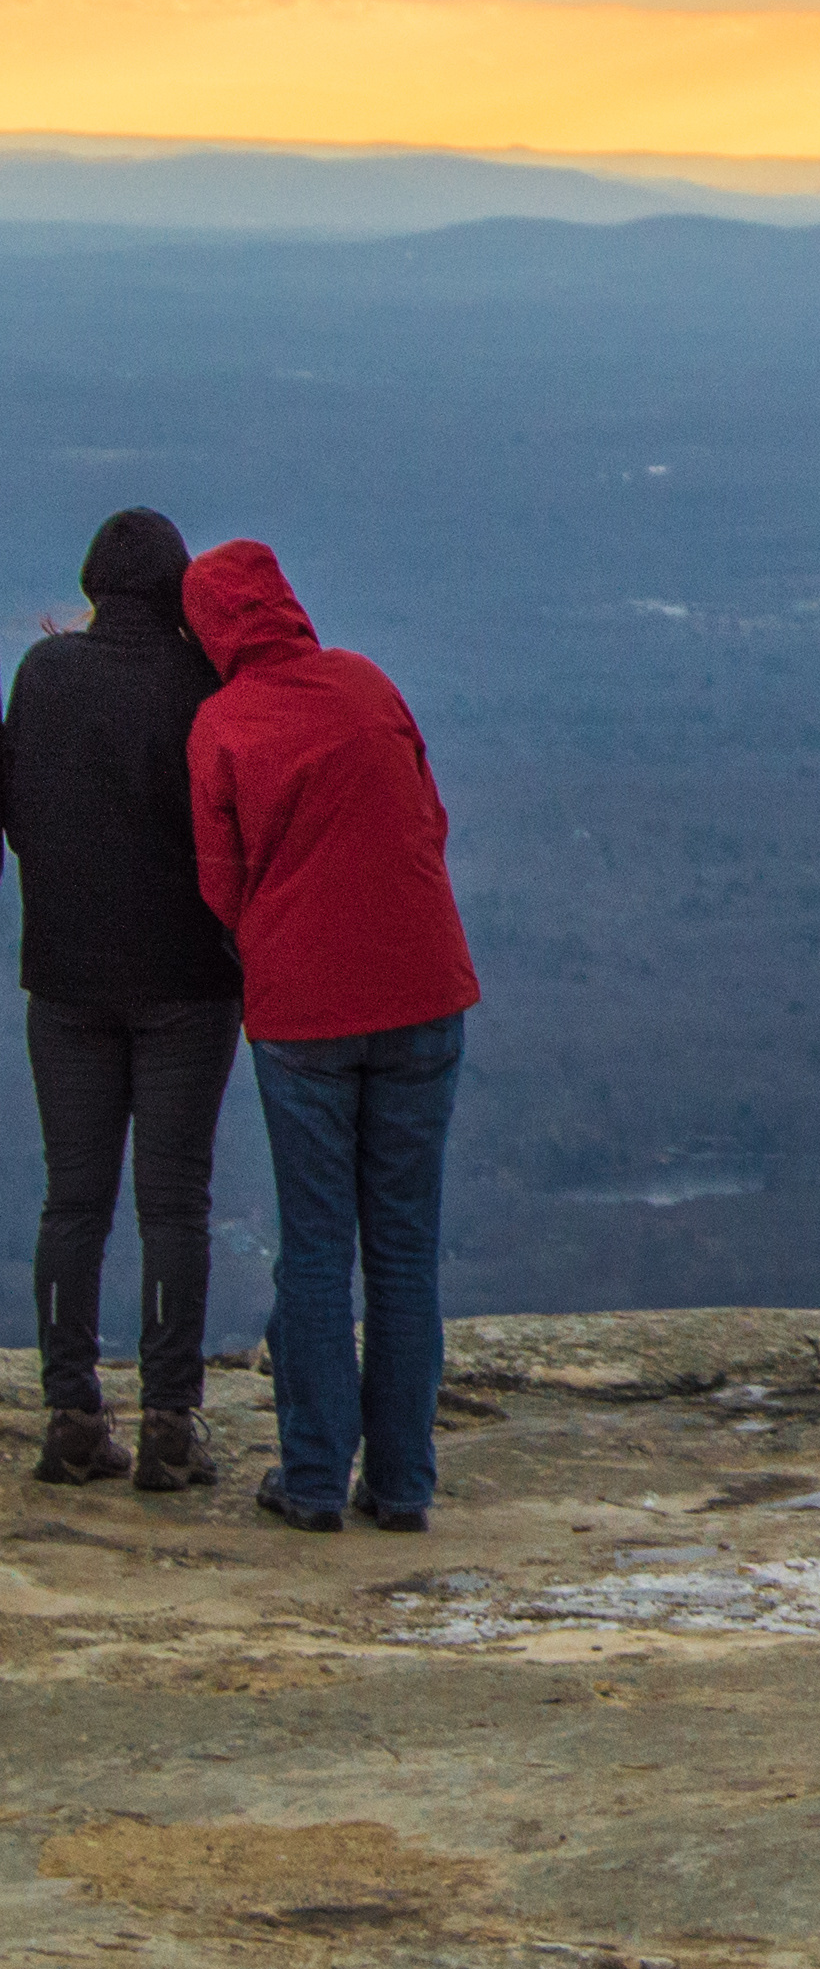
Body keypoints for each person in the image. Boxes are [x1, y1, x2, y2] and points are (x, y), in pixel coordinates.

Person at [185, 539, 480, 1534]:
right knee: (405, 1250)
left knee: (314, 1251)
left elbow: (218, 884)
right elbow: (428, 820)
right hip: (423, 991)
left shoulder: (222, 723)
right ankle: (403, 1485)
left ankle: (312, 1479)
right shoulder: (366, 683)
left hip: (304, 1013)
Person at [3, 509, 238, 1491]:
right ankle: (172, 1424)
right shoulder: (203, 686)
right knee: (173, 1204)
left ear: (95, 584)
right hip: (186, 981)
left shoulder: (43, 675)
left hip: (66, 979)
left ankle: (70, 1412)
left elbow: (18, 816)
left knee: (74, 1200)